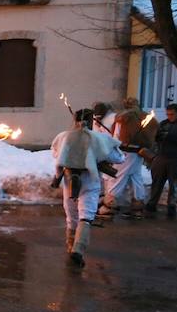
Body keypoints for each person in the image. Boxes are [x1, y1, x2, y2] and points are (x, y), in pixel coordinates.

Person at [52, 108, 123, 269]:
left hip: (69, 179)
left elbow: (56, 153)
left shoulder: (63, 136)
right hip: (90, 179)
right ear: (91, 122)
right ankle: (78, 249)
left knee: (72, 216)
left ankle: (71, 246)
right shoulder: (99, 138)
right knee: (86, 216)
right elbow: (118, 157)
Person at [145, 103, 177, 219]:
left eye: (172, 114)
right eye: (168, 114)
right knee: (157, 182)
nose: (169, 117)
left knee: (174, 183)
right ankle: (152, 203)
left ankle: (172, 206)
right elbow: (156, 138)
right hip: (162, 156)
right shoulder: (164, 123)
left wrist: (169, 137)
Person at [110, 97, 156, 218]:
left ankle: (109, 205)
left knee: (119, 176)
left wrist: (113, 147)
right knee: (136, 177)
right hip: (140, 152)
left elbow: (116, 137)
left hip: (126, 151)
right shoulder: (146, 116)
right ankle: (137, 207)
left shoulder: (123, 117)